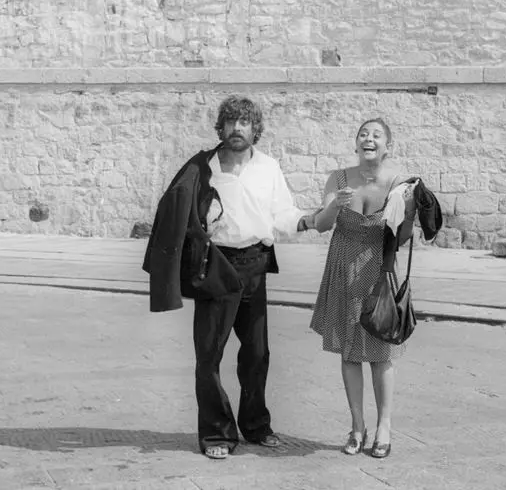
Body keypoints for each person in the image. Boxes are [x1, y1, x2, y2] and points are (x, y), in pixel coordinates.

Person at [143, 95, 315, 460]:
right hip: (216, 265)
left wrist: (306, 220)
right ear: (220, 128)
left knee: (257, 353)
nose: (237, 129)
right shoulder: (202, 167)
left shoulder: (268, 166)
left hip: (255, 262)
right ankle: (217, 433)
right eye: (231, 122)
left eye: (245, 122)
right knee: (209, 354)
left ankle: (255, 426)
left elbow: (282, 213)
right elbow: (176, 210)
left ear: (256, 130)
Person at [308, 117, 410, 459]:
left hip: (377, 272)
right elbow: (321, 226)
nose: (370, 138)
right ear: (356, 144)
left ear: (387, 146)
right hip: (341, 268)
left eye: (377, 135)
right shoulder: (338, 179)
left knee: (381, 354)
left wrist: (407, 206)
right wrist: (335, 205)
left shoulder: (399, 182)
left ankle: (384, 426)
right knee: (349, 352)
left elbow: (405, 234)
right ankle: (357, 426)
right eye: (363, 134)